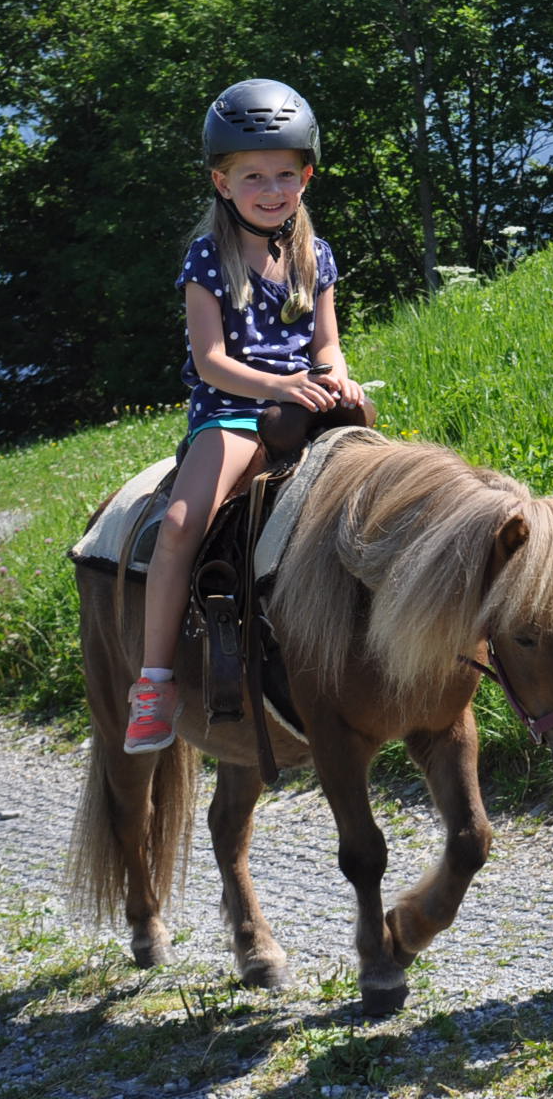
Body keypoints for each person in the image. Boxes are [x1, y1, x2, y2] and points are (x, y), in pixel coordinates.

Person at [125, 78, 369, 754]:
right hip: (232, 415)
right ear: (221, 183)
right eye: (253, 176)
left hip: (304, 403)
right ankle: (154, 683)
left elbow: (327, 343)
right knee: (180, 525)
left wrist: (335, 379)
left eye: (285, 175)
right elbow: (210, 361)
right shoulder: (208, 257)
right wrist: (281, 387)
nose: (271, 190)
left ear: (307, 176)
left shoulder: (313, 256)